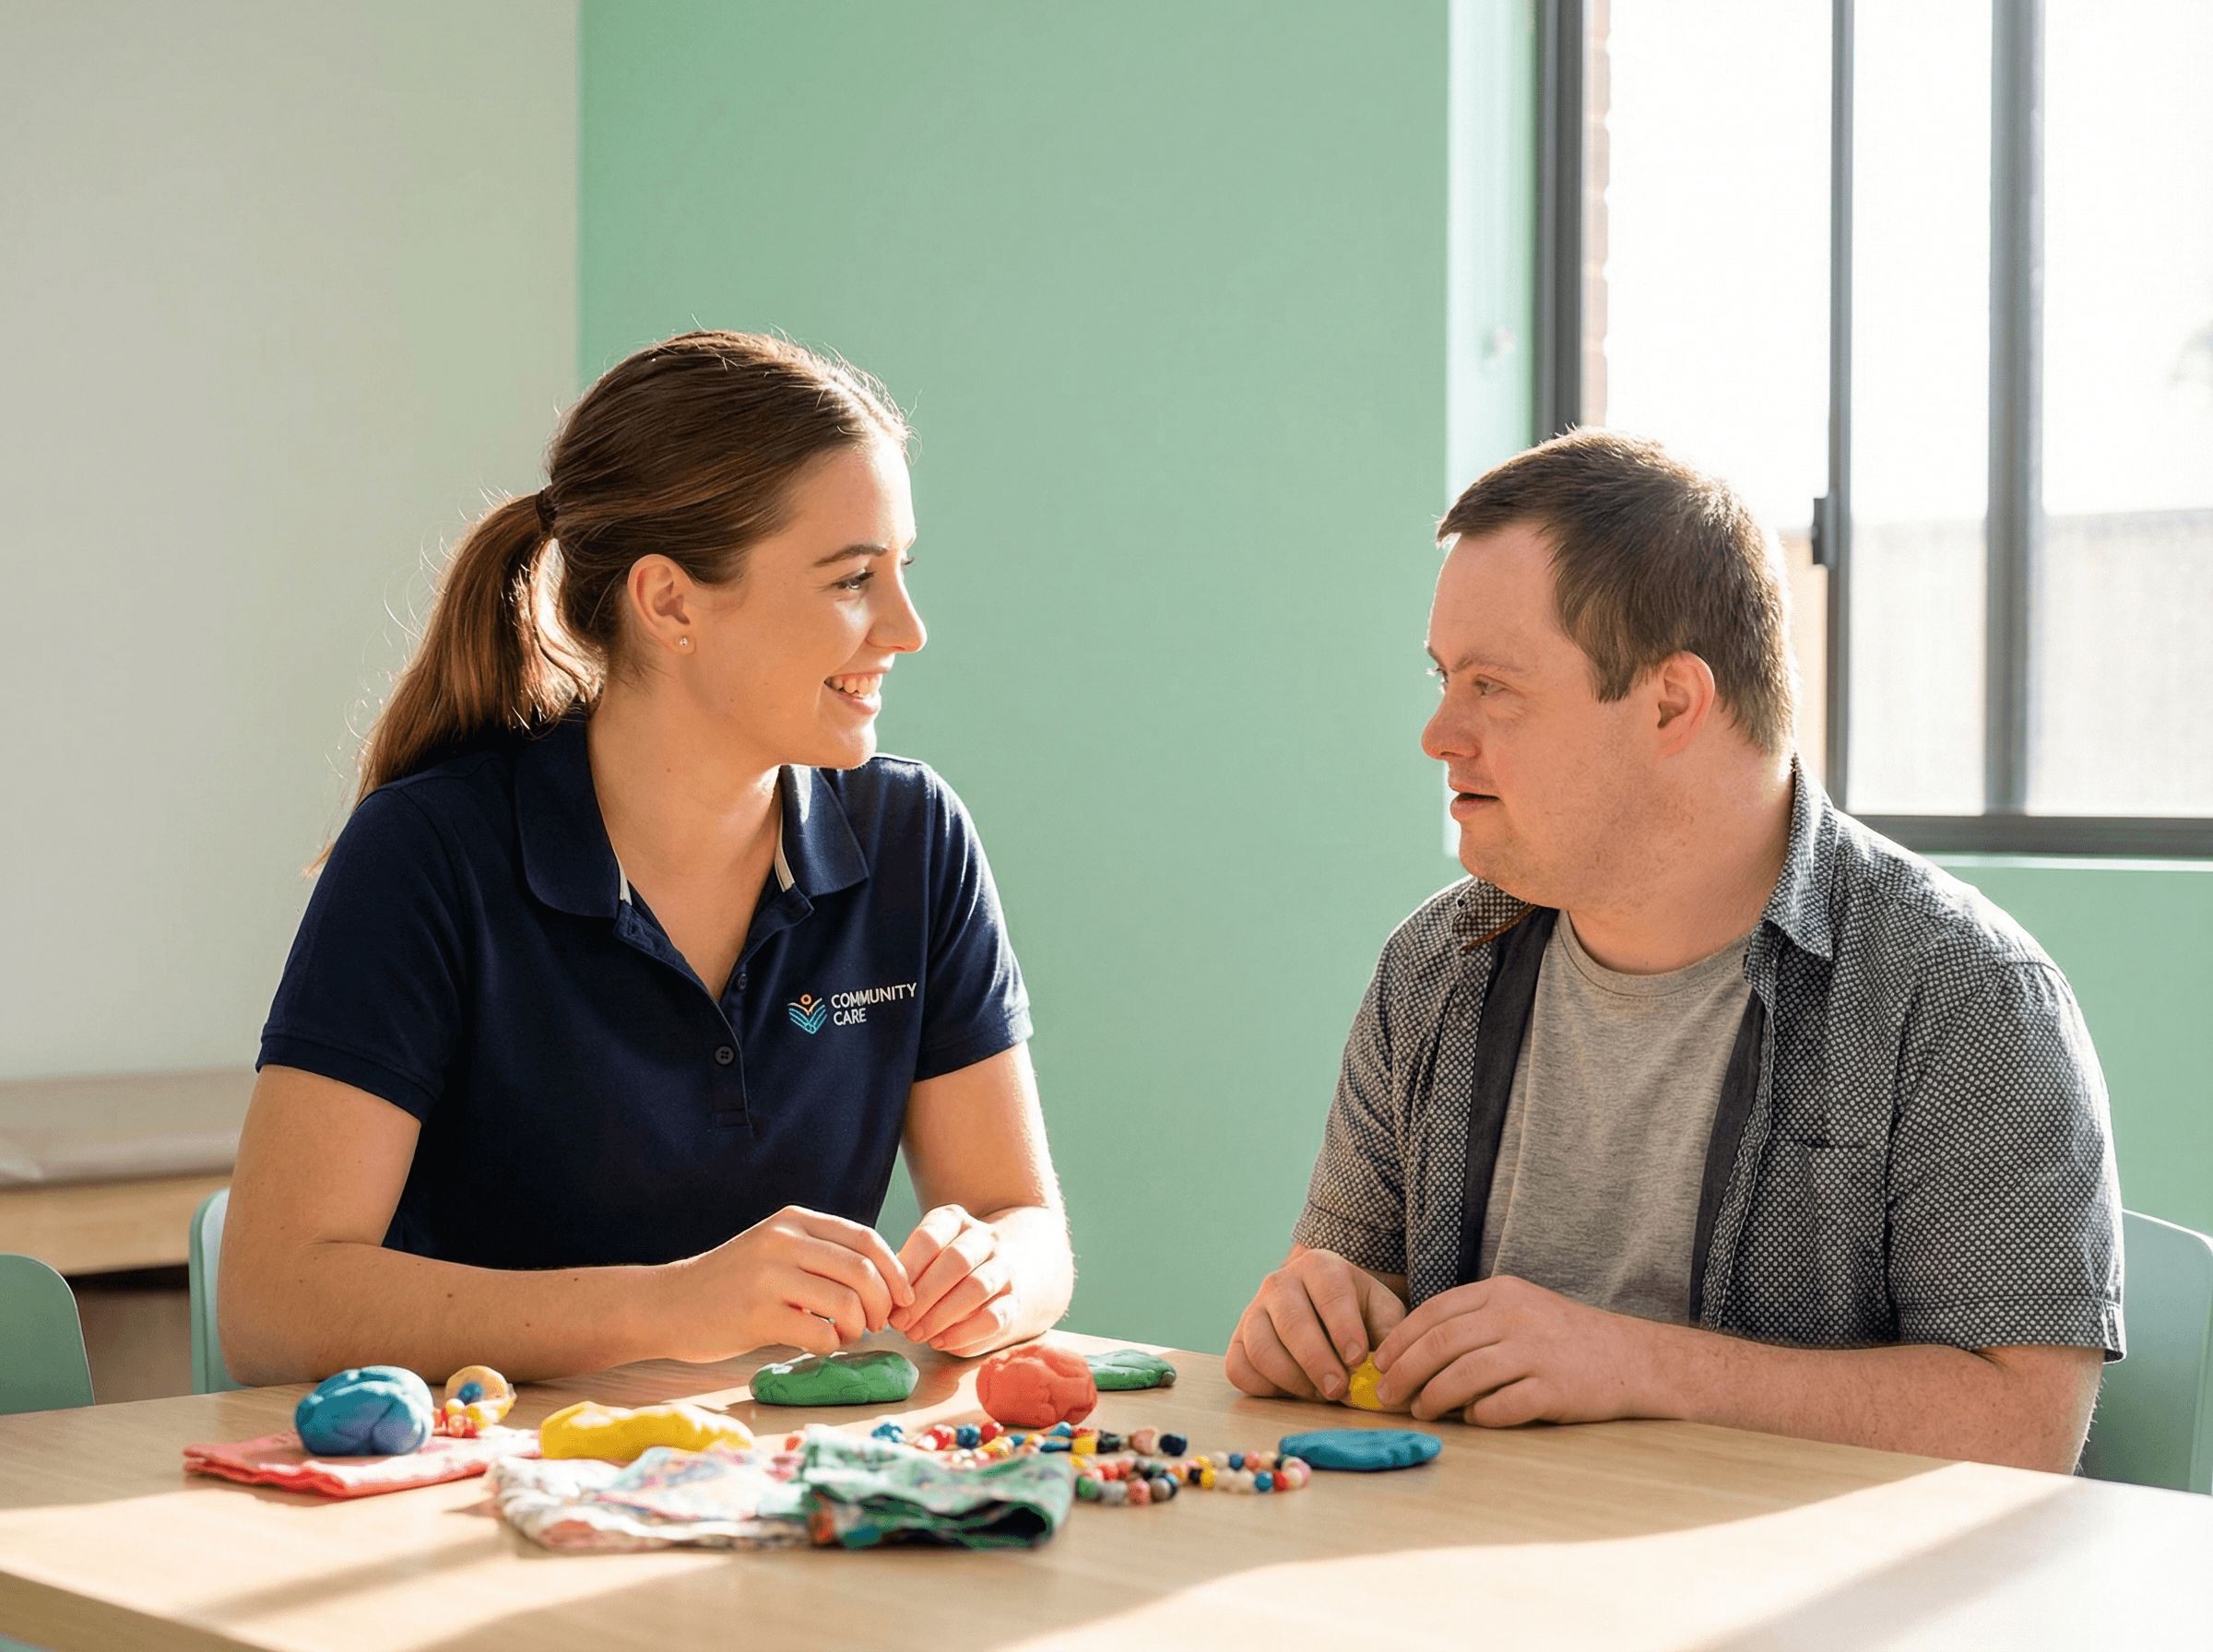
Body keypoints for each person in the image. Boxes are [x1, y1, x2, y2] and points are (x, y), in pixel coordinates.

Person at [1226, 431, 2122, 1472]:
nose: (1439, 733)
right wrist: (1313, 1321)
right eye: (1443, 678)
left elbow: (2024, 1429)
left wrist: (1640, 1367)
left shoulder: (1967, 995)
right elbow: (1351, 1299)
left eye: (1492, 686)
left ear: (1670, 703)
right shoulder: (1432, 967)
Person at [222, 331, 1072, 1384]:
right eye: (854, 579)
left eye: (901, 571)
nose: (907, 628)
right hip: (484, 1471)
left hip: (772, 1467)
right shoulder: (427, 852)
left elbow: (1023, 1220)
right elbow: (272, 1304)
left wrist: (995, 1272)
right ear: (670, 602)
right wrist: (670, 1305)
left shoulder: (915, 838)